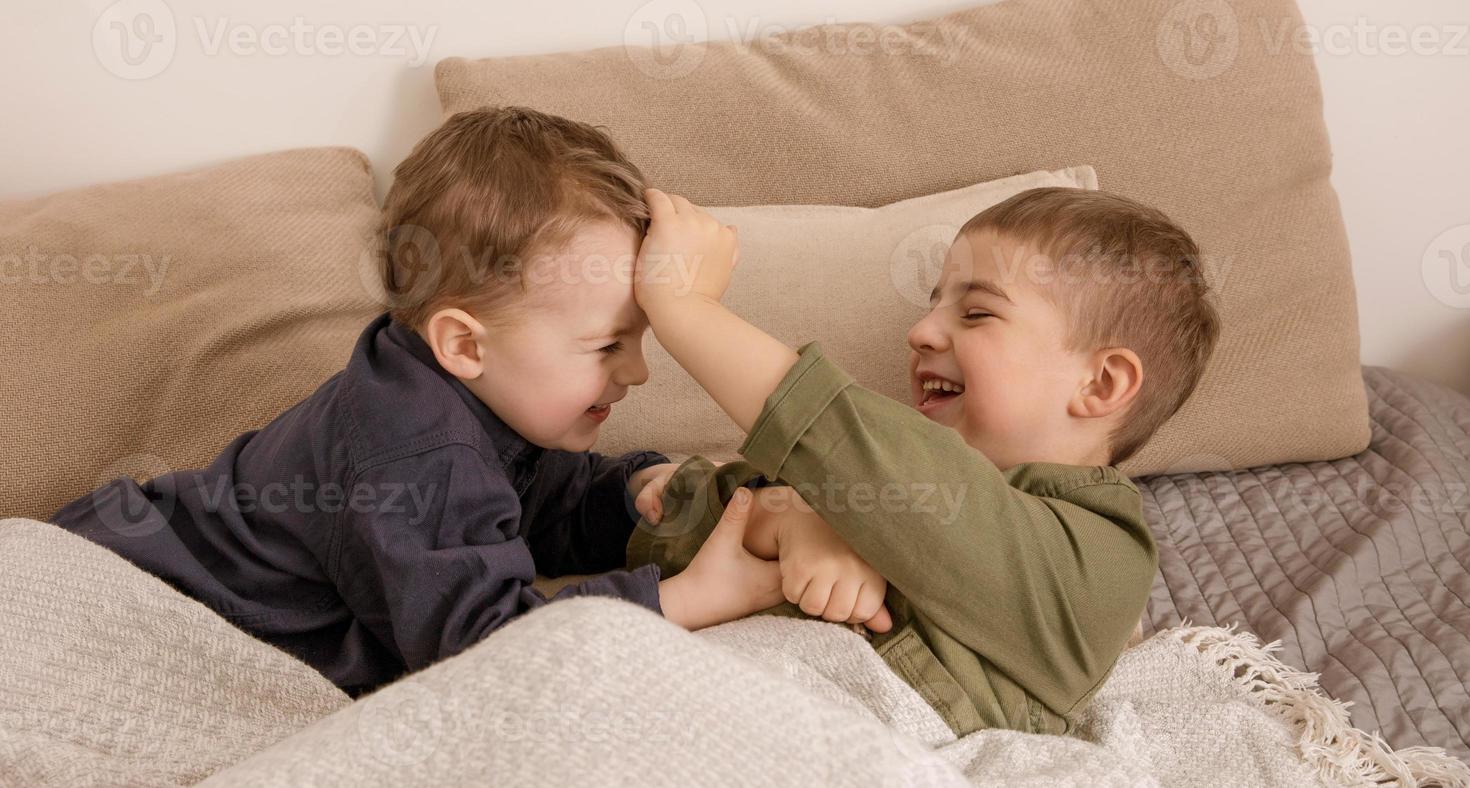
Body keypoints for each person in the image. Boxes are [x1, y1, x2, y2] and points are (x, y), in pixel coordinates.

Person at [48, 106, 880, 697]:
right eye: (607, 346)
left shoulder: (479, 399)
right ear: (464, 344)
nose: (638, 373)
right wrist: (687, 599)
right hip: (126, 586)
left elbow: (528, 507)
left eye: (641, 339)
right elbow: (477, 648)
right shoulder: (417, 450)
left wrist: (630, 494)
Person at [626, 184, 1221, 736]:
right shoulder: (860, 491)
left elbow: (850, 444)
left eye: (978, 312)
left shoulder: (1101, 562)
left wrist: (684, 306)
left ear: (1101, 383)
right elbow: (675, 527)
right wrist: (785, 519)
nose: (920, 331)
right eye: (934, 305)